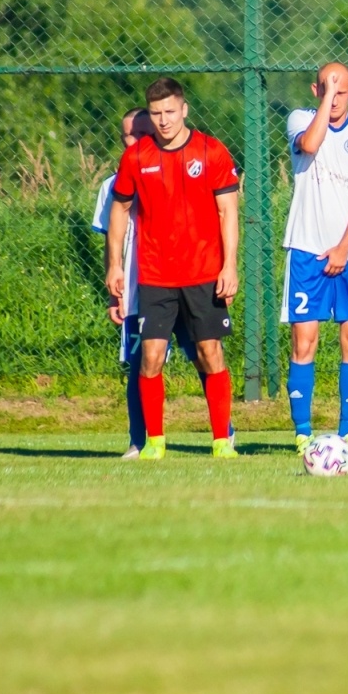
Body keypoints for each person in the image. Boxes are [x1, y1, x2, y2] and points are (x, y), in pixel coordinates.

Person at [105, 78, 241, 460]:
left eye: (169, 111)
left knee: (210, 353)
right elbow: (119, 210)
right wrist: (115, 265)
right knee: (149, 358)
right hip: (154, 275)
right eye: (156, 113)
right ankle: (155, 444)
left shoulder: (211, 151)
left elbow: (228, 211)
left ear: (184, 110)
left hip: (203, 272)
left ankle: (220, 442)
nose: (163, 120)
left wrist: (229, 265)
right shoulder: (136, 158)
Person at [282, 62, 348, 456]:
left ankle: (347, 432)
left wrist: (343, 247)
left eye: (341, 90)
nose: (335, 97)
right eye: (327, 88)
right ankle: (303, 432)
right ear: (315, 90)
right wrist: (325, 101)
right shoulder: (300, 120)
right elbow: (310, 146)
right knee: (304, 342)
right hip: (306, 249)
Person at [92, 107, 202, 460]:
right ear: (122, 139)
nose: (138, 138)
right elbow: (112, 243)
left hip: (181, 282)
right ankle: (139, 441)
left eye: (145, 131)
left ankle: (224, 430)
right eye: (130, 134)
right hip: (139, 292)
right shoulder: (112, 186)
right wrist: (115, 294)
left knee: (203, 354)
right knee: (141, 364)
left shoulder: (173, 169)